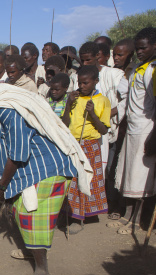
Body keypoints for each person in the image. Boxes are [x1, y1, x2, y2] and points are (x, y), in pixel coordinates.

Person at [0, 65, 90, 275]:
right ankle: (33, 250)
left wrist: (1, 186)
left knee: (31, 216)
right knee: (21, 209)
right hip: (33, 167)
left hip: (48, 168)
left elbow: (18, 153)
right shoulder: (2, 104)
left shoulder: (8, 109)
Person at [112, 27, 156, 235]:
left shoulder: (152, 71)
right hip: (132, 128)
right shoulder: (137, 68)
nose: (139, 52)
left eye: (143, 48)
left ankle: (137, 221)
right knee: (128, 175)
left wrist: (153, 137)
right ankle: (127, 216)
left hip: (146, 130)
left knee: (140, 178)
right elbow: (127, 99)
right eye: (137, 49)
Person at [62, 65, 111, 234]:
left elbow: (104, 130)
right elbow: (64, 124)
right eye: (79, 83)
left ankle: (80, 217)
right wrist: (68, 104)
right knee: (73, 181)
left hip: (90, 145)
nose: (81, 86)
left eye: (85, 83)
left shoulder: (102, 100)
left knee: (86, 181)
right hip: (73, 143)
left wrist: (93, 115)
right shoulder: (74, 99)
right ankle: (72, 213)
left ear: (96, 82)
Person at [78, 41, 124, 175]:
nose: (85, 63)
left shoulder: (113, 74)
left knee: (100, 171)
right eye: (82, 60)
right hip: (82, 132)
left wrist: (110, 113)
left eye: (88, 60)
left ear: (97, 56)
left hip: (103, 130)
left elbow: (128, 99)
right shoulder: (79, 77)